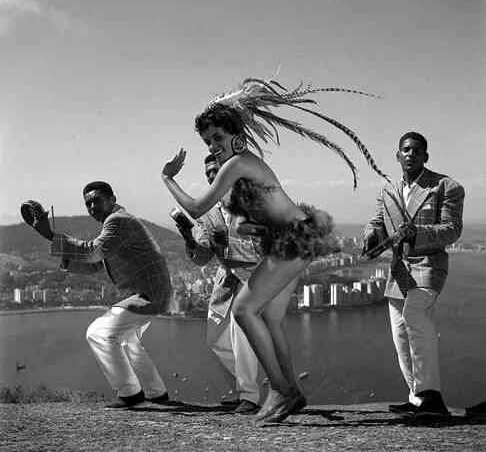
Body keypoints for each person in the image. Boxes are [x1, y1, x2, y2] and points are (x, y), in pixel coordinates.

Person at [161, 73, 386, 423]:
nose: (213, 145)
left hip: (292, 240)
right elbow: (264, 212)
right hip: (297, 236)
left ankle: (282, 391)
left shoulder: (237, 163)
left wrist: (167, 178)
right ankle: (290, 392)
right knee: (271, 316)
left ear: (237, 134)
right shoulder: (240, 166)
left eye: (217, 137)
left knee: (243, 310)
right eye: (208, 141)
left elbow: (195, 209)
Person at [30, 181, 173, 409]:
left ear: (112, 199)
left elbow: (92, 252)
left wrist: (50, 235)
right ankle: (157, 394)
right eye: (88, 203)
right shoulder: (116, 223)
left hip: (148, 295)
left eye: (97, 200)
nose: (92, 206)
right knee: (129, 341)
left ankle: (130, 394)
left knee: (97, 333)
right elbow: (95, 264)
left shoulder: (118, 221)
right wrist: (66, 259)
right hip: (155, 292)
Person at [363, 132, 464, 419]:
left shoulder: (446, 187)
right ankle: (416, 397)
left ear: (425, 156)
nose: (410, 154)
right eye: (405, 150)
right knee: (400, 336)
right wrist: (372, 237)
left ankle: (431, 396)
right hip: (398, 271)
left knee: (416, 319)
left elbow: (452, 229)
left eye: (417, 150)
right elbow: (376, 223)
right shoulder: (388, 191)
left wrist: (418, 233)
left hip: (428, 267)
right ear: (398, 156)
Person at [176, 154, 261, 414]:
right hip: (225, 284)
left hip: (254, 279)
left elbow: (266, 246)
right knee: (215, 340)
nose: (212, 176)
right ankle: (241, 389)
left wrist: (230, 242)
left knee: (240, 332)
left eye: (217, 170)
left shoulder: (254, 205)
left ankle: (250, 396)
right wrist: (189, 237)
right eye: (208, 173)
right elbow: (202, 258)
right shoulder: (208, 213)